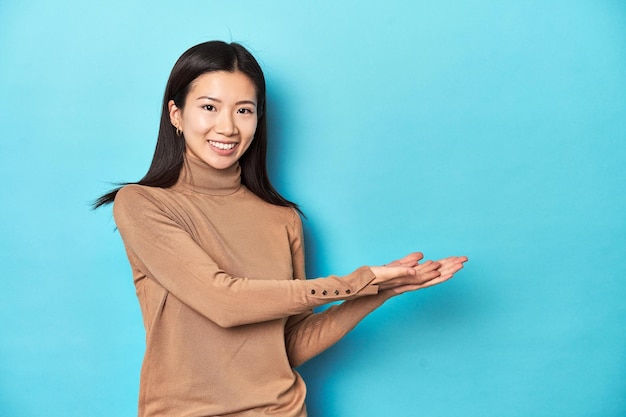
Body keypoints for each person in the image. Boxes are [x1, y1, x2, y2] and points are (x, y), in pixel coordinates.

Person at [95, 40, 468, 417]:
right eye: (209, 107)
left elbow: (287, 344)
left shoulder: (281, 217)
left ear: (258, 119)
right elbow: (222, 302)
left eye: (244, 110)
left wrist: (376, 294)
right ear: (175, 114)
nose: (227, 127)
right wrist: (357, 281)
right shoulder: (143, 204)